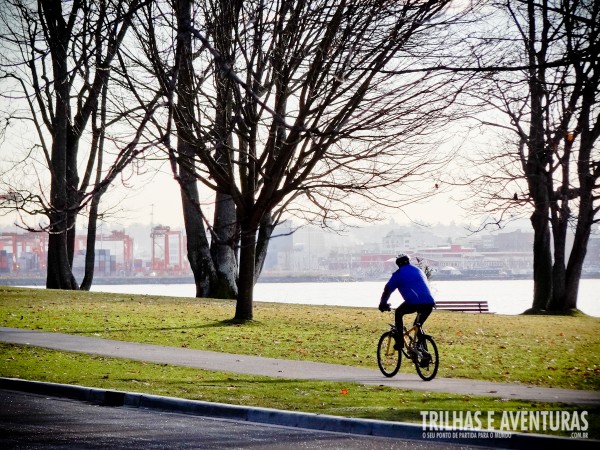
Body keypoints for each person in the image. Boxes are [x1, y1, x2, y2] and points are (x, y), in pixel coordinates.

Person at [378, 253, 435, 350]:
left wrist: (383, 303)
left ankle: (400, 342)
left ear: (398, 264)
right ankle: (423, 353)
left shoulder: (399, 274)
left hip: (414, 302)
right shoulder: (418, 270)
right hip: (429, 302)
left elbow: (387, 289)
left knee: (398, 313)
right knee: (418, 325)